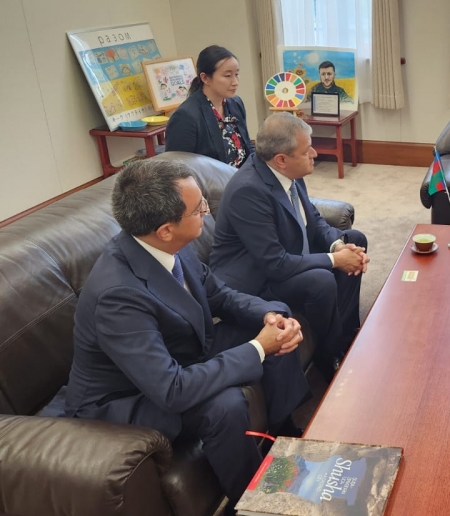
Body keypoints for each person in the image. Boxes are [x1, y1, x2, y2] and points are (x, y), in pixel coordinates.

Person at [61, 159, 310, 515]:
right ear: (166, 229)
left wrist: (269, 316)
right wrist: (258, 347)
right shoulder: (117, 295)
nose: (208, 211)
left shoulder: (167, 245)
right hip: (125, 398)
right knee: (224, 406)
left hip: (177, 354)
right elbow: (171, 389)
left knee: (277, 326)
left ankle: (283, 433)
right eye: (199, 208)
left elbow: (219, 294)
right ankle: (254, 504)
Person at [209, 112, 369, 379]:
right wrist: (334, 260)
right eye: (307, 151)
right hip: (257, 279)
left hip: (288, 253)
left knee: (354, 239)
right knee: (321, 280)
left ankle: (347, 334)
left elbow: (313, 219)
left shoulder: (290, 172)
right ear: (281, 159)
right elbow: (275, 263)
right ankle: (328, 357)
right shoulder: (248, 191)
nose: (315, 154)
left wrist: (337, 247)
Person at [166, 45, 254, 168]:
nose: (235, 82)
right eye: (227, 75)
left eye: (237, 74)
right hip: (210, 180)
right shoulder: (186, 116)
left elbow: (247, 145)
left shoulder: (235, 103)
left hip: (242, 176)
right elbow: (176, 167)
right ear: (205, 78)